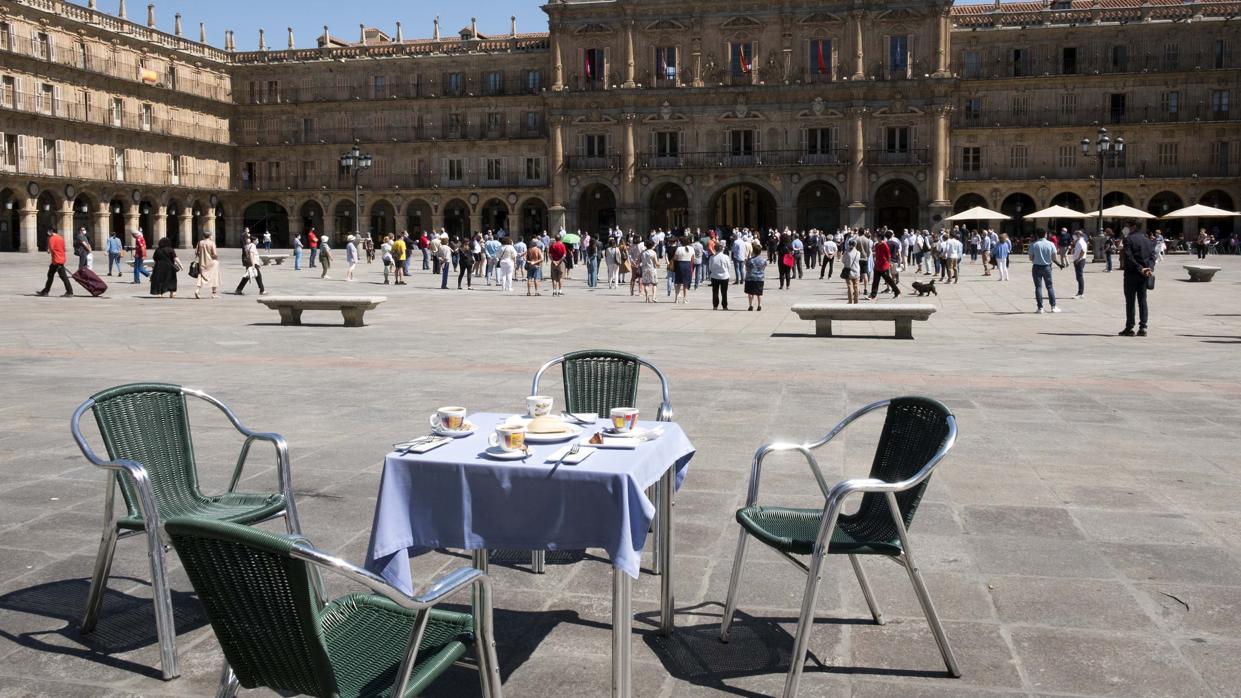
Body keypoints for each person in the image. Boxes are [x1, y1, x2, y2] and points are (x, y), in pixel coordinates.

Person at [1120, 226, 1157, 336]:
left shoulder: (1128, 239)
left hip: (1131, 274)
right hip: (1144, 275)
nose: (1125, 229)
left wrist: (1140, 268)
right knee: (1143, 300)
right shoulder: (1148, 241)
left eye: (1127, 227)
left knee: (1130, 302)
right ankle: (1143, 327)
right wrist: (1149, 268)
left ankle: (1129, 327)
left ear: (1133, 227)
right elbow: (1152, 257)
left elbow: (1129, 257)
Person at [1028, 230, 1060, 314]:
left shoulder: (1033, 244)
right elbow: (1054, 257)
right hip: (1047, 267)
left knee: (1038, 287)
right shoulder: (1051, 244)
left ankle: (1040, 308)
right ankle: (1053, 306)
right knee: (1049, 286)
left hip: (1036, 267)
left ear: (1037, 235)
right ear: (1045, 235)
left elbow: (1031, 258)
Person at [35, 228, 73, 297]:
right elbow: (63, 248)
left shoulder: (51, 238)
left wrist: (48, 250)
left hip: (56, 260)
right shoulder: (60, 238)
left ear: (51, 231)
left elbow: (51, 248)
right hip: (60, 258)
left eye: (48, 231)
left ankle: (69, 292)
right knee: (50, 275)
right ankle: (45, 291)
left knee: (63, 277)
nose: (48, 233)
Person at [869, 232, 901, 300]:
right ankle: (873, 295)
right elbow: (876, 254)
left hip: (884, 266)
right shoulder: (876, 245)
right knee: (875, 281)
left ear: (880, 237)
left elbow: (888, 255)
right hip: (877, 266)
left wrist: (889, 263)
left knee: (889, 280)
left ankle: (897, 292)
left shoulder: (885, 245)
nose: (875, 237)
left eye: (876, 236)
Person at [194, 230, 221, 299]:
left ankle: (197, 290)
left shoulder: (200, 242)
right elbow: (215, 254)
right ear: (209, 236)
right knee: (214, 276)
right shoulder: (212, 243)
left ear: (203, 236)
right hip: (211, 262)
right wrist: (216, 258)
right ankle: (214, 293)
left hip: (202, 263)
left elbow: (196, 252)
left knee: (201, 276)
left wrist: (202, 255)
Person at [708, 241, 731, 310]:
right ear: (722, 249)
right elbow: (729, 266)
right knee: (724, 292)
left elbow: (710, 268)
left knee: (715, 291)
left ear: (715, 249)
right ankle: (724, 306)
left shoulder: (712, 257)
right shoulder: (726, 257)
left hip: (715, 276)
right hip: (724, 276)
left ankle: (715, 305)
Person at [744, 242, 767, 311]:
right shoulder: (763, 260)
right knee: (759, 293)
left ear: (753, 251)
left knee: (750, 293)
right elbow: (764, 268)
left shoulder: (750, 260)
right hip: (760, 278)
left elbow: (747, 269)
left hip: (750, 278)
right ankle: (759, 305)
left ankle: (750, 305)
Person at [673, 237, 693, 303]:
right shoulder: (691, 248)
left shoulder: (679, 248)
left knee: (678, 283)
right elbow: (693, 258)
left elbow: (675, 258)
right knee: (685, 283)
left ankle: (676, 298)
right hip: (688, 265)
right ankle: (685, 298)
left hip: (680, 265)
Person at [841, 238, 861, 304]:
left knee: (850, 286)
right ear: (855, 245)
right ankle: (856, 301)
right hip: (856, 271)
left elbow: (843, 261)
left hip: (848, 271)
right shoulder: (858, 253)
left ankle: (850, 301)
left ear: (849, 244)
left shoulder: (846, 252)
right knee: (856, 286)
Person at [1070, 230, 1088, 298]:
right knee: (1078, 277)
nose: (1074, 236)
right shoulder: (1078, 241)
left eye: (1075, 235)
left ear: (1078, 235)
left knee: (1079, 276)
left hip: (1080, 261)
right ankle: (1080, 292)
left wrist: (1078, 259)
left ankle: (1081, 293)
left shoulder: (1081, 242)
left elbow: (1083, 251)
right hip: (1078, 260)